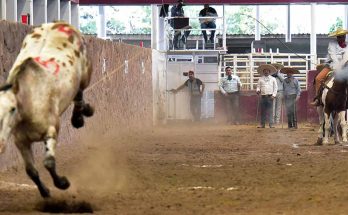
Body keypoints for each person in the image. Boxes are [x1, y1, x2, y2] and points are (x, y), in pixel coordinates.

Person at [311, 28, 348, 106]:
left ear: (345, 36)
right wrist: (338, 66)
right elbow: (333, 56)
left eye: (343, 36)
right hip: (331, 66)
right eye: (339, 36)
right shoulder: (332, 44)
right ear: (337, 37)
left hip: (345, 67)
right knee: (318, 78)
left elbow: (346, 57)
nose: (341, 38)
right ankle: (318, 98)